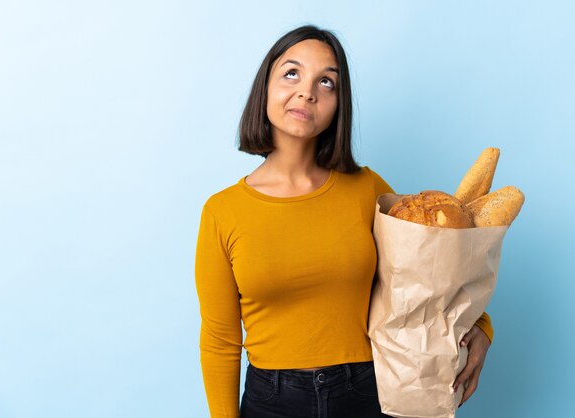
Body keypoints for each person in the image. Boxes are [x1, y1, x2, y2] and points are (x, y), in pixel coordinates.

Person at [195, 24, 493, 418]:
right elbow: (220, 339)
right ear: (265, 87)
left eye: (327, 82)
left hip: (366, 392)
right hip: (272, 401)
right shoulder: (223, 211)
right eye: (292, 73)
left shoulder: (366, 189)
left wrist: (482, 327)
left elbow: (433, 268)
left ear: (338, 103)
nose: (307, 91)